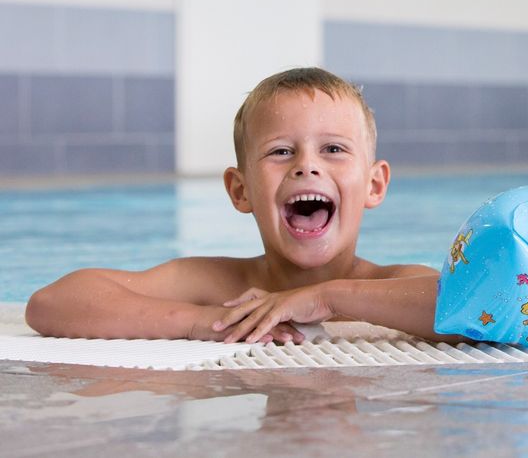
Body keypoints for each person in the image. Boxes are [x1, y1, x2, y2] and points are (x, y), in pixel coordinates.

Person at [27, 67, 448, 344]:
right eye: (281, 152)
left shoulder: (391, 283)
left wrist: (328, 298)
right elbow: (53, 302)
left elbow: (470, 308)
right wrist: (200, 322)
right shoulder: (216, 287)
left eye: (333, 149)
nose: (307, 166)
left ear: (374, 185)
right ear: (240, 190)